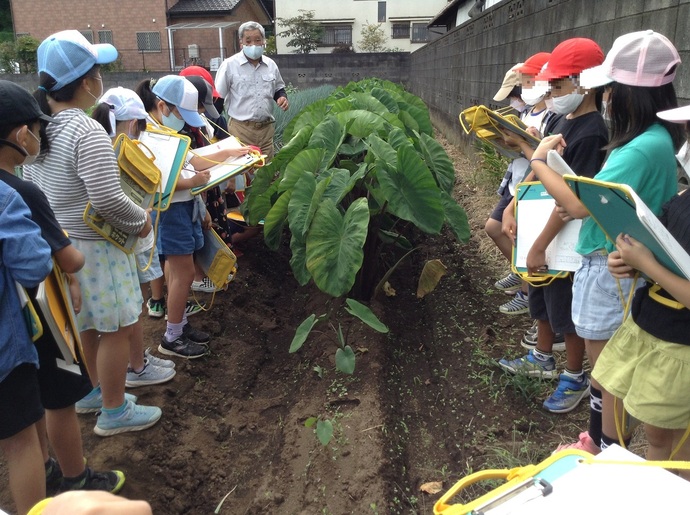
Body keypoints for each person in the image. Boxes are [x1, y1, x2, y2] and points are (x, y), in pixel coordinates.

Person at [525, 30, 683, 452]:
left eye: (610, 90)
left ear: (627, 94)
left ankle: (602, 446)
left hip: (607, 264)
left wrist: (539, 159)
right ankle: (604, 441)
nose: (607, 98)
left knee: (606, 370)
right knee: (611, 370)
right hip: (621, 262)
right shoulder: (658, 140)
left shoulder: (638, 148)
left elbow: (579, 205)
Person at [24, 29, 162, 436]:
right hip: (99, 247)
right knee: (117, 326)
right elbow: (107, 200)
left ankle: (90, 392)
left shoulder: (39, 130)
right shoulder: (85, 132)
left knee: (86, 324)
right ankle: (115, 410)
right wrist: (141, 220)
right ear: (87, 82)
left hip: (62, 245)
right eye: (98, 72)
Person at [0, 80, 128, 496]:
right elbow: (49, 261)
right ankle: (75, 478)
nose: (40, 136)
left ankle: (50, 468)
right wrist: (66, 249)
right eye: (36, 130)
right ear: (22, 135)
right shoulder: (18, 193)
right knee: (57, 402)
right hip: (34, 318)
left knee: (25, 415)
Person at [498, 38, 609, 416]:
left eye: (559, 86)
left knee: (567, 311)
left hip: (564, 238)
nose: (553, 93)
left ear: (586, 83)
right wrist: (512, 206)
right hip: (541, 228)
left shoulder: (593, 133)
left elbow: (573, 202)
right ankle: (542, 357)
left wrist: (539, 245)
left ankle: (574, 376)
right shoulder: (562, 119)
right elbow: (537, 171)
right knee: (542, 299)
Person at [600, 102, 690, 472]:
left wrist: (648, 265)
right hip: (650, 326)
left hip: (679, 346)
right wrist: (630, 263)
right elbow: (660, 249)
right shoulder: (683, 198)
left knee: (671, 441)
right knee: (655, 431)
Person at [135, 75, 250, 358]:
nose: (183, 120)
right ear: (162, 106)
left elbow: (190, 160)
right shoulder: (150, 136)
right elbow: (158, 182)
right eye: (180, 114)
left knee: (177, 271)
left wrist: (228, 152)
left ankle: (180, 324)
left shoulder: (166, 132)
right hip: (170, 210)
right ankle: (172, 336)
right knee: (184, 272)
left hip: (183, 207)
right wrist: (194, 182)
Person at [91, 86, 177, 388]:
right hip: (125, 241)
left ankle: (133, 361)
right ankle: (135, 367)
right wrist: (142, 221)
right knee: (129, 312)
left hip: (106, 244)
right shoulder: (117, 152)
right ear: (131, 124)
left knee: (118, 316)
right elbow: (114, 200)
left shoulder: (98, 144)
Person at [0, 104, 55, 515]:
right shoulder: (7, 197)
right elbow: (34, 264)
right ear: (21, 136)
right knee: (18, 441)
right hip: (4, 344)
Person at [487, 54, 554, 316]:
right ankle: (520, 273)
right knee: (495, 228)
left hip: (534, 184)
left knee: (521, 238)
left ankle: (526, 292)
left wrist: (525, 143)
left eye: (524, 86)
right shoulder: (526, 111)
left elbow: (546, 158)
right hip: (517, 181)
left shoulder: (551, 115)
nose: (518, 96)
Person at [215, 20, 289, 160]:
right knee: (243, 174)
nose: (253, 45)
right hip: (241, 130)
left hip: (266, 130)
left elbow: (278, 88)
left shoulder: (270, 65)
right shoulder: (229, 65)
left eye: (257, 40)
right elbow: (218, 99)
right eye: (248, 41)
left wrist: (282, 97)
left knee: (266, 174)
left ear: (263, 41)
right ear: (241, 42)